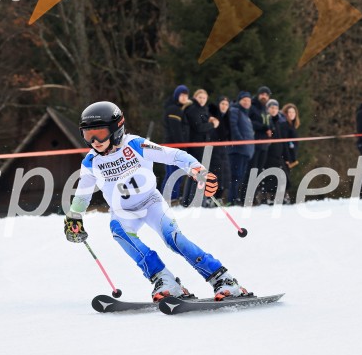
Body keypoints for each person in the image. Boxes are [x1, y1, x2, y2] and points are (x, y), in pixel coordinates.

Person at [64, 101, 251, 302]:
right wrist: (74, 217)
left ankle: (223, 279)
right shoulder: (91, 162)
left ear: (116, 128)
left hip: (151, 202)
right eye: (87, 134)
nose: (94, 141)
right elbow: (83, 194)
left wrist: (198, 171)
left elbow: (174, 155)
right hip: (122, 211)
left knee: (174, 240)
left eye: (99, 133)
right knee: (120, 233)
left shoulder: (134, 145)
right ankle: (164, 280)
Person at [181, 89, 219, 207]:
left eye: (204, 98)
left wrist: (211, 119)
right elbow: (198, 127)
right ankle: (192, 200)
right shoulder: (193, 109)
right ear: (195, 97)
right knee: (197, 173)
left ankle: (190, 200)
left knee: (196, 173)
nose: (202, 100)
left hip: (202, 144)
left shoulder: (203, 109)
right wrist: (212, 124)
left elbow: (204, 119)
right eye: (200, 97)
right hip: (195, 145)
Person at [160, 85, 192, 203]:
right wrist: (183, 148)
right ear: (176, 96)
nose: (184, 97)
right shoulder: (174, 109)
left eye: (186, 95)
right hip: (173, 147)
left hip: (173, 147)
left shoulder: (178, 109)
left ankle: (170, 198)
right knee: (173, 174)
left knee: (173, 173)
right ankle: (170, 199)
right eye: (182, 95)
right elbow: (176, 131)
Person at [245, 86, 273, 201]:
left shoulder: (266, 109)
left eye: (266, 95)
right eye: (262, 94)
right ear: (258, 95)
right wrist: (263, 127)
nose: (264, 96)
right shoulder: (252, 106)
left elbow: (269, 123)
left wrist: (270, 129)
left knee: (259, 170)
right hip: (254, 143)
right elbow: (248, 122)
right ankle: (245, 195)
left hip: (264, 145)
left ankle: (254, 195)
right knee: (252, 170)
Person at [227, 91, 255, 205]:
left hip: (245, 151)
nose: (247, 102)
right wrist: (240, 140)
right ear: (239, 101)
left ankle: (235, 198)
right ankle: (232, 200)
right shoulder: (235, 110)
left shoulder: (246, 115)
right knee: (235, 175)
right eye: (244, 100)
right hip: (236, 150)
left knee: (240, 176)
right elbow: (232, 126)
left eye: (249, 100)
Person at [263, 99, 291, 203]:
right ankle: (270, 197)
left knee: (284, 176)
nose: (273, 110)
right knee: (271, 177)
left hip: (279, 154)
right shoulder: (266, 120)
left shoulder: (281, 122)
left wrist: (287, 157)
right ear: (267, 109)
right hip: (268, 153)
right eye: (271, 108)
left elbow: (284, 142)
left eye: (275, 108)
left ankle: (282, 195)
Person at [210, 96, 232, 204]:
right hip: (213, 148)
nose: (224, 106)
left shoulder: (227, 116)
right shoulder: (213, 114)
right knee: (215, 172)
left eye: (226, 105)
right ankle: (211, 197)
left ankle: (219, 196)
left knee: (225, 173)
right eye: (222, 104)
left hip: (224, 148)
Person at [280, 103, 301, 202]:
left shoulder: (292, 126)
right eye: (289, 112)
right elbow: (285, 143)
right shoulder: (284, 125)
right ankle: (282, 197)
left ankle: (284, 196)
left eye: (293, 112)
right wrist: (287, 158)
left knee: (287, 177)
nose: (292, 114)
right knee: (284, 178)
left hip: (291, 156)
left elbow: (293, 144)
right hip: (284, 156)